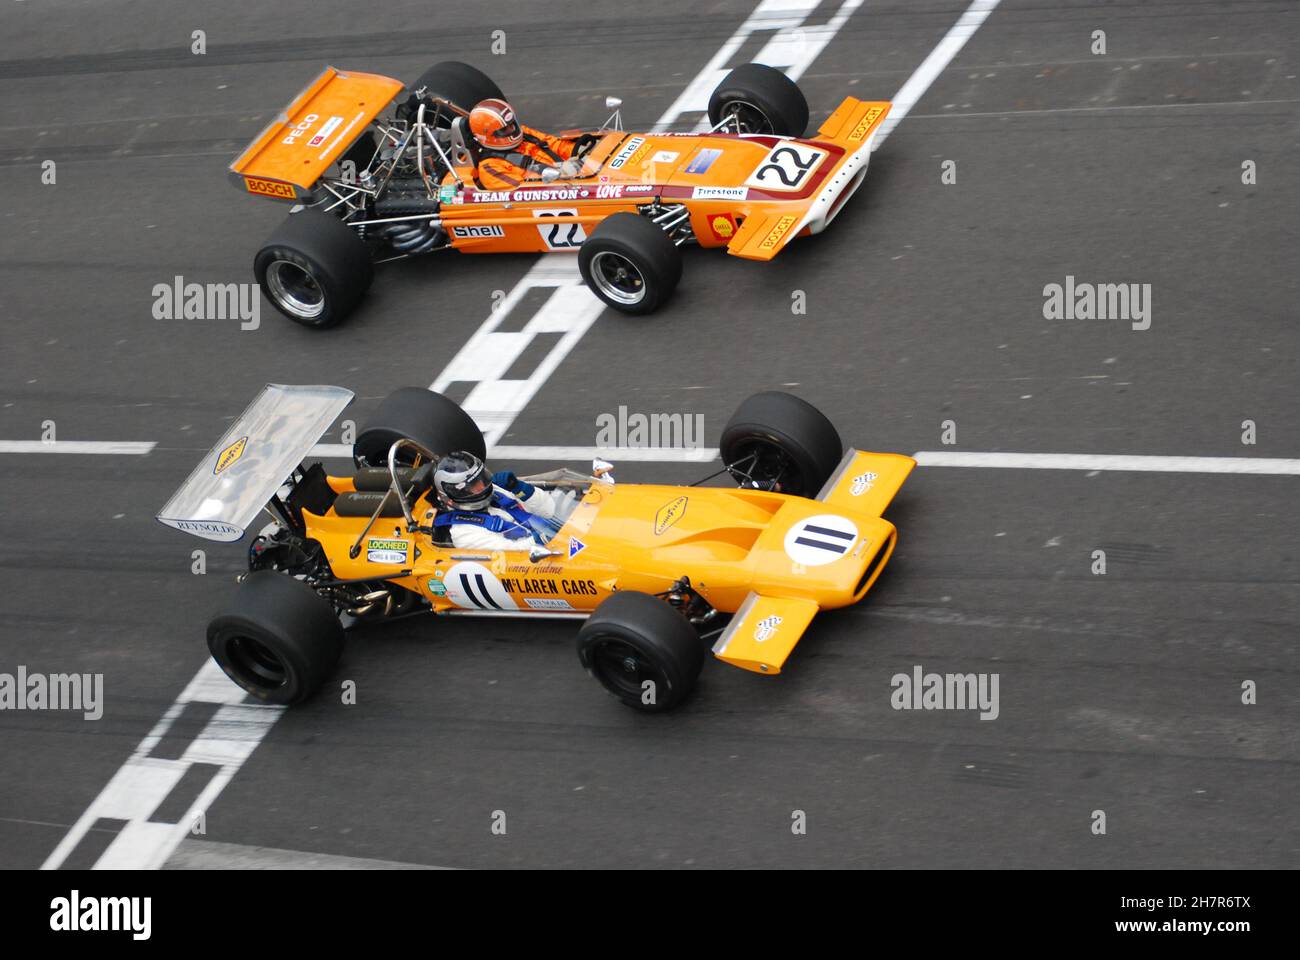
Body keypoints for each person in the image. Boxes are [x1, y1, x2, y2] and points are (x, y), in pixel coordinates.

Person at [431, 450, 572, 551]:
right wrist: (542, 538)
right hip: (536, 564)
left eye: (481, 478)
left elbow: (549, 510)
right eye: (473, 486)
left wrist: (522, 489)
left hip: (560, 537)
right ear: (454, 494)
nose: (482, 486)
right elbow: (513, 555)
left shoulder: (496, 491)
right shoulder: (464, 533)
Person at [467, 98, 594, 189]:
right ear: (488, 135)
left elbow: (555, 145)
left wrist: (587, 153)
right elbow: (526, 192)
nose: (513, 130)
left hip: (575, 177)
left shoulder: (524, 133)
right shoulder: (490, 168)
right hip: (556, 194)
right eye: (505, 129)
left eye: (512, 124)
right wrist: (562, 175)